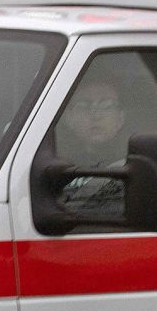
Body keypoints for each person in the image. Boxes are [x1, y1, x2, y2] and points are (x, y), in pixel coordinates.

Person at [55, 75, 130, 216]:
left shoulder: (133, 162)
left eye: (106, 106)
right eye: (84, 106)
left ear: (121, 118)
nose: (96, 115)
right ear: (68, 118)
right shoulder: (51, 162)